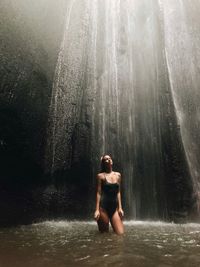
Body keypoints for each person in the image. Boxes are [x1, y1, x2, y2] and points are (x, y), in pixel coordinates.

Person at [94, 154, 124, 235]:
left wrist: (120, 208)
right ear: (103, 163)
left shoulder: (118, 175)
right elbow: (99, 193)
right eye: (106, 159)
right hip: (103, 208)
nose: (109, 160)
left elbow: (118, 192)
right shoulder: (100, 176)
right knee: (104, 235)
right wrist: (97, 210)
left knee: (120, 234)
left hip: (114, 208)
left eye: (110, 158)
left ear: (112, 161)